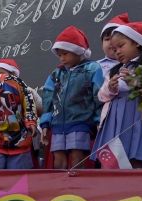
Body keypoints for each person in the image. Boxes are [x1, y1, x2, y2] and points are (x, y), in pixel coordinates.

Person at [91, 22, 142, 168]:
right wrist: (110, 87)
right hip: (115, 118)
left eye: (121, 46)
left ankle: (135, 189)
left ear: (137, 43)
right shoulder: (115, 70)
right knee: (110, 160)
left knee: (135, 155)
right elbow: (101, 96)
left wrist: (136, 82)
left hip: (138, 114)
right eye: (114, 49)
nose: (117, 52)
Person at [40, 26, 104, 169]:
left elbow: (98, 94)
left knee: (77, 155)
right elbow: (48, 98)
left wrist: (99, 119)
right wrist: (45, 123)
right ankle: (60, 187)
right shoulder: (57, 73)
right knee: (58, 156)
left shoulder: (92, 68)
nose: (62, 58)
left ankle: (77, 186)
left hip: (81, 121)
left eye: (65, 53)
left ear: (78, 51)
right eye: (59, 55)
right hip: (57, 123)